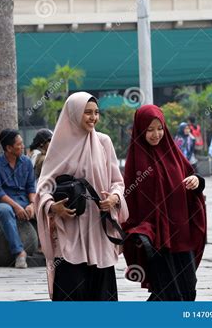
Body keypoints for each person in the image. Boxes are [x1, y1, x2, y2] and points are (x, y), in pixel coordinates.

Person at [36, 92, 128, 301]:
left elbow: (117, 181)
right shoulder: (58, 147)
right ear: (74, 114)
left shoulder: (104, 142)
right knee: (71, 291)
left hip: (98, 231)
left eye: (96, 113)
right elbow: (44, 186)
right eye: (87, 113)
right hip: (70, 229)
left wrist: (114, 198)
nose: (93, 118)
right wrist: (52, 207)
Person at [122, 105, 206, 301]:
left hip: (181, 236)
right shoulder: (136, 161)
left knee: (188, 290)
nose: (155, 134)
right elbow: (131, 203)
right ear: (140, 129)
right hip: (156, 240)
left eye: (159, 128)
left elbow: (191, 180)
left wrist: (197, 182)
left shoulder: (174, 154)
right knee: (168, 294)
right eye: (149, 129)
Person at [0, 129, 36, 269]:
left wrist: (32, 204)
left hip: (24, 200)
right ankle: (19, 253)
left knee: (46, 207)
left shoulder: (27, 162)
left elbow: (31, 188)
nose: (23, 146)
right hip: (3, 202)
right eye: (19, 144)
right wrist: (17, 207)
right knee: (5, 211)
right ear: (9, 148)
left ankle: (47, 249)